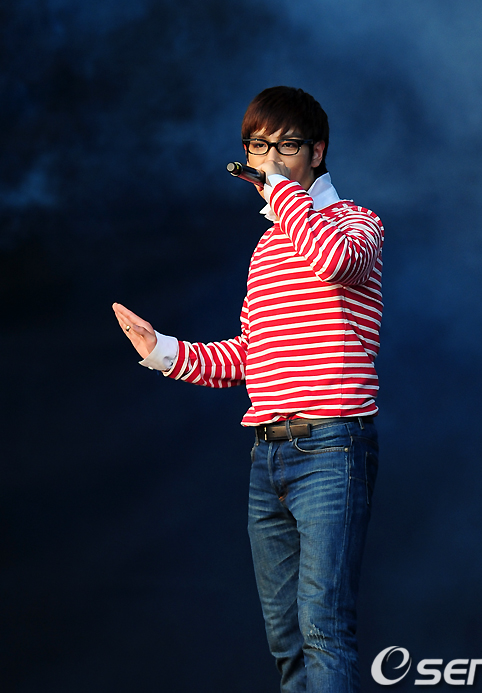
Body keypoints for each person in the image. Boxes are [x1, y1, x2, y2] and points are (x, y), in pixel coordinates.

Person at [113, 86, 384, 693]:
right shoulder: (269, 247)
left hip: (331, 449)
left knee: (323, 629)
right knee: (286, 641)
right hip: (268, 455)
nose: (269, 160)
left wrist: (281, 193)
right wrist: (161, 350)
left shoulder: (356, 223)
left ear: (317, 152)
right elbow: (252, 357)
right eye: (258, 147)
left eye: (286, 147)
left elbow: (335, 261)